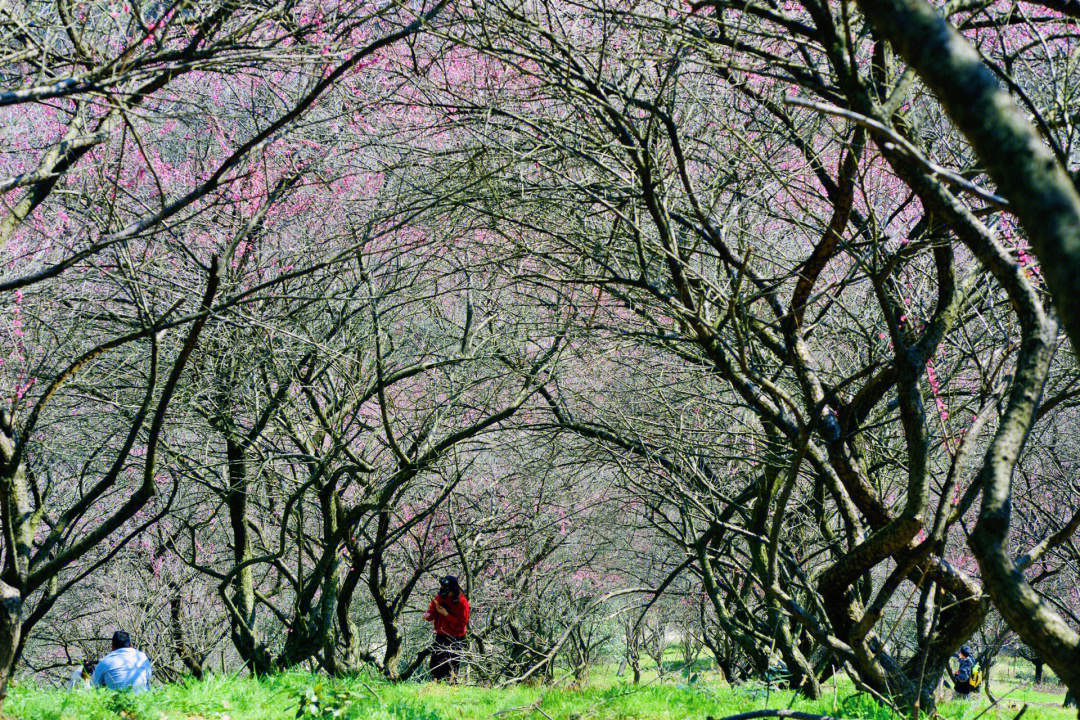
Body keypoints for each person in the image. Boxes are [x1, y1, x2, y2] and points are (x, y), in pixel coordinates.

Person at [423, 575, 469, 681]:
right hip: (441, 635)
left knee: (450, 669)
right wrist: (429, 615)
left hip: (455, 638)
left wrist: (446, 615)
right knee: (434, 666)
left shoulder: (462, 602)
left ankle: (450, 689)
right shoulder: (441, 596)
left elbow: (462, 624)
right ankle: (436, 687)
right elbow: (433, 609)